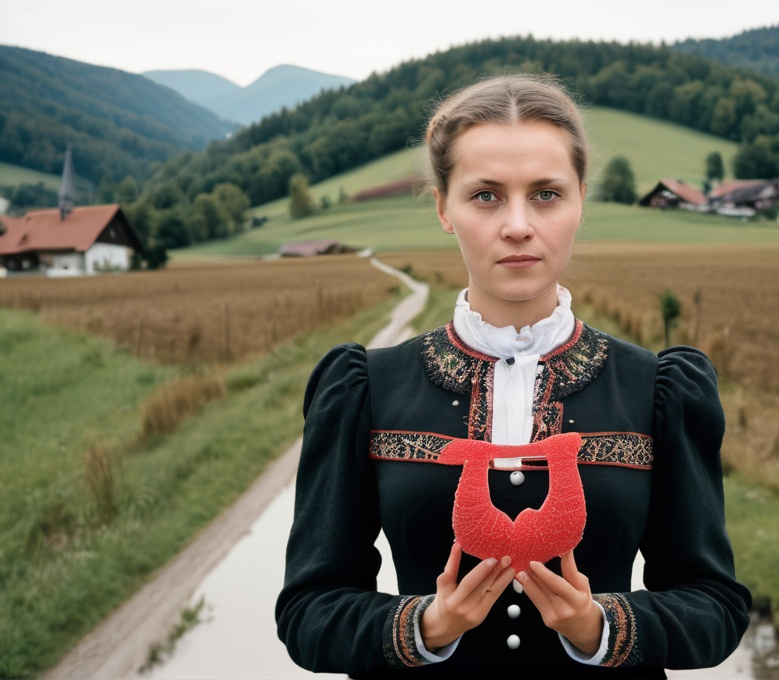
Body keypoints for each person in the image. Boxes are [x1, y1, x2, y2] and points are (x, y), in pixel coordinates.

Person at [276, 74, 751, 678]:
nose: (519, 225)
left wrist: (600, 627)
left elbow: (714, 607)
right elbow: (308, 611)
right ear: (444, 207)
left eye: (546, 194)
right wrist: (425, 627)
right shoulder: (366, 388)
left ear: (581, 197)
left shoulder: (656, 389)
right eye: (486, 196)